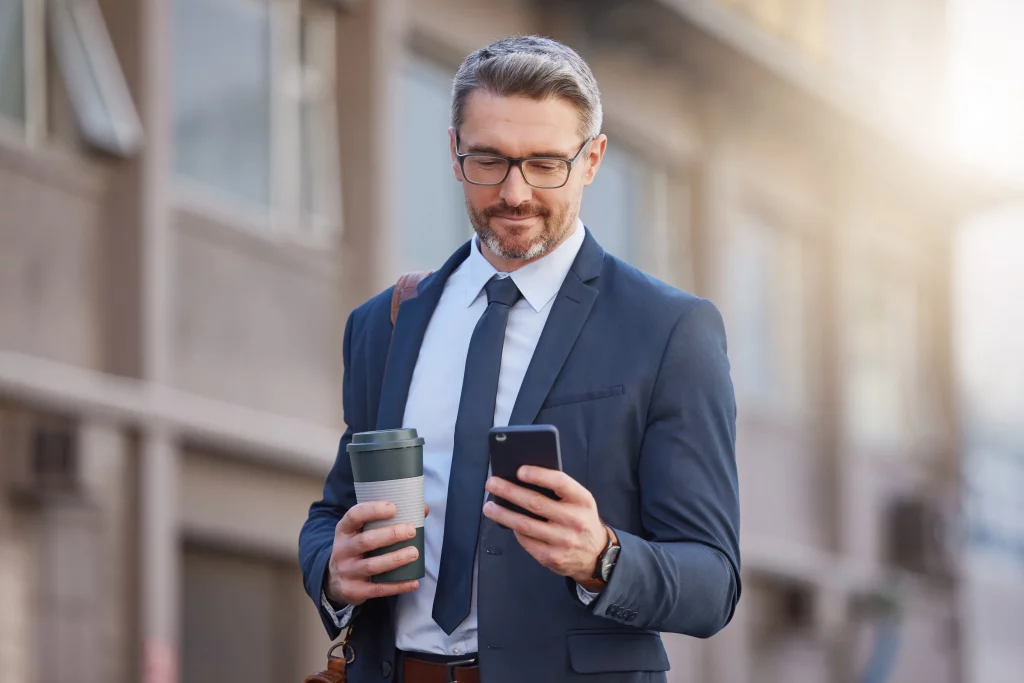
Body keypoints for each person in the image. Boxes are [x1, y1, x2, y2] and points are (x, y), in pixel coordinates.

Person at [299, 35, 740, 683]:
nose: (515, 192)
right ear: (454, 152)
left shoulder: (670, 330)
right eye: (490, 159)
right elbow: (333, 509)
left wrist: (603, 555)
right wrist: (332, 570)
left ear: (592, 161)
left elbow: (714, 582)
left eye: (545, 163)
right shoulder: (384, 324)